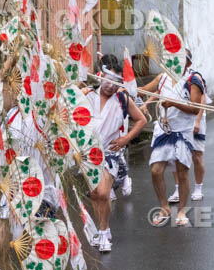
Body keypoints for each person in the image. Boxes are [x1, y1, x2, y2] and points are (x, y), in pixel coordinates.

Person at [84, 54, 147, 251]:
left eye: (116, 82)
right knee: (94, 194)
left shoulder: (122, 99)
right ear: (100, 76)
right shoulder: (88, 95)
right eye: (108, 80)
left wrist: (125, 139)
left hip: (110, 151)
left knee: (103, 192)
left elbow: (142, 120)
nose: (111, 86)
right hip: (88, 151)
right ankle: (103, 229)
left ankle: (103, 233)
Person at [142, 50, 207, 226]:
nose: (174, 62)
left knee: (182, 172)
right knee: (156, 170)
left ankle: (182, 211)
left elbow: (194, 109)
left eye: (179, 59)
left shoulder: (193, 79)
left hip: (183, 131)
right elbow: (141, 90)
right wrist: (126, 86)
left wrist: (172, 103)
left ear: (187, 62)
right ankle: (164, 208)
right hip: (164, 129)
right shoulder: (162, 78)